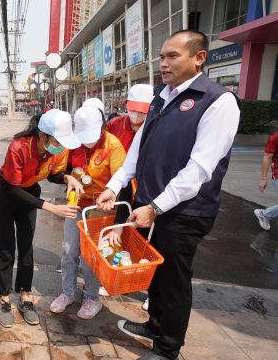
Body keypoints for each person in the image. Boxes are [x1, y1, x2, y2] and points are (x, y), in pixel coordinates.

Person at [96, 30, 240, 360]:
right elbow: (138, 151)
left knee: (174, 279)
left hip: (184, 212)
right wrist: (113, 186)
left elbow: (200, 169)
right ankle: (154, 325)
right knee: (154, 272)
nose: (163, 63)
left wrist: (156, 207)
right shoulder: (161, 96)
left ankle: (167, 348)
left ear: (199, 58)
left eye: (172, 56)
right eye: (161, 57)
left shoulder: (217, 101)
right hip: (148, 205)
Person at [0, 109, 83, 328]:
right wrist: (50, 207)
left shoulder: (59, 151)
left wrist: (67, 177)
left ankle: (25, 296)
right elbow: (14, 188)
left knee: (26, 247)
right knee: (5, 248)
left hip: (29, 193)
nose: (61, 147)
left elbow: (52, 174)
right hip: (7, 193)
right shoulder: (19, 147)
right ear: (42, 135)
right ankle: (4, 299)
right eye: (57, 141)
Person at [49, 105, 126, 320]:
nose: (88, 141)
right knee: (68, 249)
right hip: (77, 205)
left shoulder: (113, 145)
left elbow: (123, 178)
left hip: (100, 209)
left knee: (91, 255)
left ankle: (92, 297)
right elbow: (61, 170)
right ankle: (68, 293)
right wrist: (69, 180)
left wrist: (112, 198)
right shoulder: (74, 145)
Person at [101, 84, 154, 305]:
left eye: (143, 111)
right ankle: (118, 276)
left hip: (147, 189)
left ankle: (151, 289)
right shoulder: (115, 125)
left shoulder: (155, 127)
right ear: (127, 106)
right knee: (118, 232)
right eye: (134, 110)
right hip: (119, 184)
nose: (137, 115)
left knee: (149, 241)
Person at [255, 130, 278, 230]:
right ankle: (265, 214)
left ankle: (265, 214)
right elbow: (267, 156)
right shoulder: (275, 137)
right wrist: (263, 178)